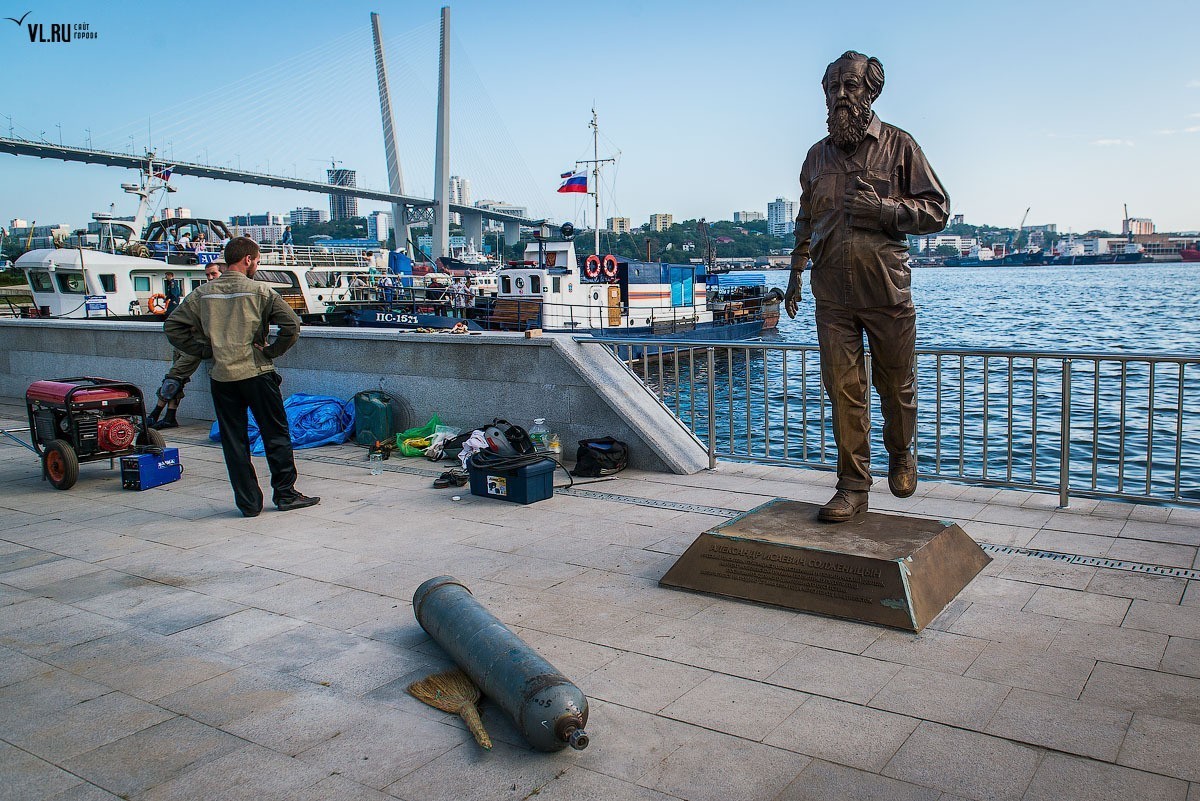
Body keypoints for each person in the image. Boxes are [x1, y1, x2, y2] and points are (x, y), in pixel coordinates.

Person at [784, 50, 949, 523]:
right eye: (833, 88)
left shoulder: (900, 146)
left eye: (849, 87)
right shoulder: (816, 157)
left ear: (870, 92)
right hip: (830, 294)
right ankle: (853, 486)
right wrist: (796, 272)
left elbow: (937, 210)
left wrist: (886, 211)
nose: (839, 96)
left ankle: (901, 453)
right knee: (843, 390)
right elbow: (806, 220)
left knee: (895, 385)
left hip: (886, 291)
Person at [164, 237, 319, 517]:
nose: (256, 266)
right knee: (275, 434)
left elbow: (173, 327)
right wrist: (271, 351)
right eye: (257, 261)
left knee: (234, 440)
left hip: (222, 376)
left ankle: (248, 502)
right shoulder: (261, 291)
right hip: (257, 372)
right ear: (248, 259)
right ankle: (285, 493)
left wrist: (204, 350)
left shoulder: (202, 294)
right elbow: (292, 325)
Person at [148, 263, 222, 429]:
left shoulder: (214, 295)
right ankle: (170, 416)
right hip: (185, 343)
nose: (210, 278)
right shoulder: (202, 294)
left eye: (213, 274)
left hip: (195, 345)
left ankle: (155, 413)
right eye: (208, 275)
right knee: (178, 379)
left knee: (174, 377)